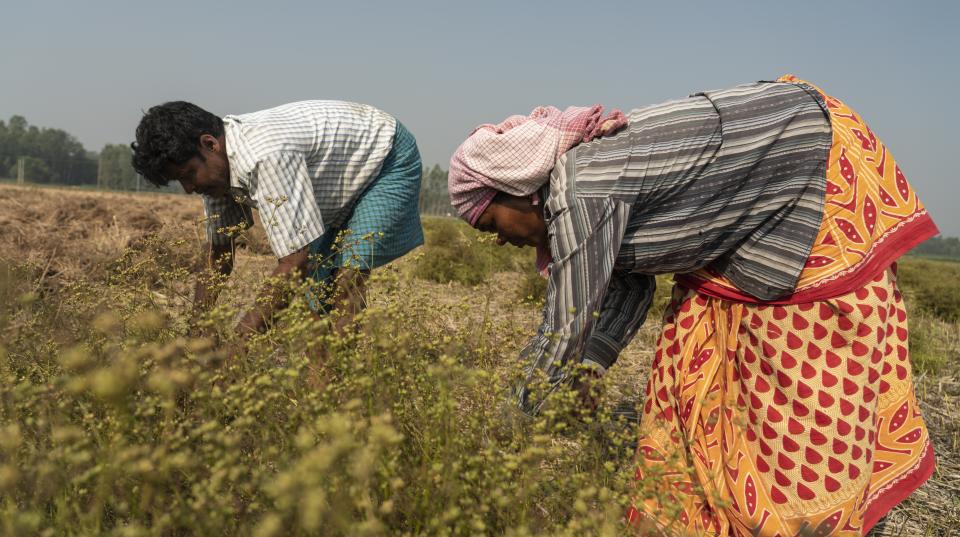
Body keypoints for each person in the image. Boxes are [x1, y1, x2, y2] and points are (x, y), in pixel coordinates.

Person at [448, 75, 937, 535]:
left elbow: (566, 323)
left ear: (519, 190)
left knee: (794, 377)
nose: (498, 242)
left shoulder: (582, 187)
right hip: (776, 166)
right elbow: (628, 285)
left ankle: (805, 517)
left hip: (811, 158)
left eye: (491, 225)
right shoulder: (578, 189)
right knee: (708, 360)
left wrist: (505, 428)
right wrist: (587, 370)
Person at [132, 100, 423, 336]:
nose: (189, 188)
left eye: (187, 176)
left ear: (210, 144)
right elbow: (220, 253)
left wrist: (239, 346)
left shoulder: (264, 155)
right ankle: (321, 386)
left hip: (386, 155)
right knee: (318, 294)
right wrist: (198, 332)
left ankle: (338, 387)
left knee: (346, 278)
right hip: (334, 182)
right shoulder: (215, 173)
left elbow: (296, 261)